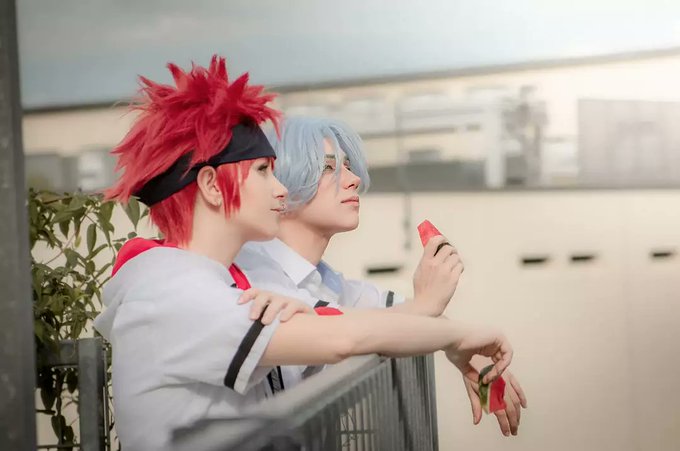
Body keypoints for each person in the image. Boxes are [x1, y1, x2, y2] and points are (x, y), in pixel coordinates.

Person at [93, 56, 514, 451]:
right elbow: (343, 337)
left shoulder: (210, 282)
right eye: (263, 170)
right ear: (210, 186)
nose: (280, 188)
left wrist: (446, 333)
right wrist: (452, 331)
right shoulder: (175, 291)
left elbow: (349, 327)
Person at [236, 116, 527, 436]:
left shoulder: (326, 283)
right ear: (279, 182)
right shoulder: (252, 277)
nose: (353, 180)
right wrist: (437, 317)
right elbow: (350, 331)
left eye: (348, 167)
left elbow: (394, 317)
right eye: (329, 168)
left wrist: (461, 349)